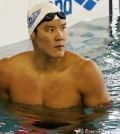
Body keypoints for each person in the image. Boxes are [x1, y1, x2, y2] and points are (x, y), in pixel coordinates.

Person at [0, 2, 111, 109]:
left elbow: (99, 120)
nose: (60, 36)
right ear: (33, 35)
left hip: (70, 127)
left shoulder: (86, 72)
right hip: (25, 127)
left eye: (63, 28)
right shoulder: (7, 71)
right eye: (50, 30)